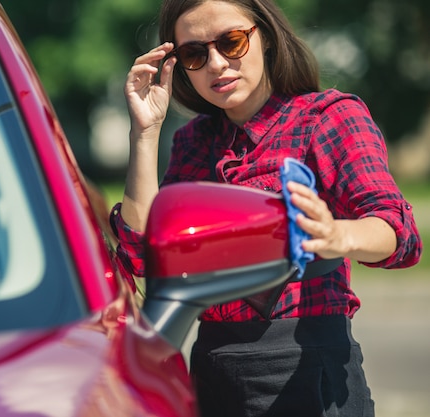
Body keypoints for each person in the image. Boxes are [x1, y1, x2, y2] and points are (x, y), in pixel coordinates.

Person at [109, 0, 423, 416]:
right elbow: (143, 258)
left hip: (305, 370)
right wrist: (145, 134)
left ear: (267, 37)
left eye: (232, 42)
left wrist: (338, 235)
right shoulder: (193, 141)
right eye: (195, 54)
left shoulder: (327, 117)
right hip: (212, 371)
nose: (216, 64)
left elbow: (398, 233)